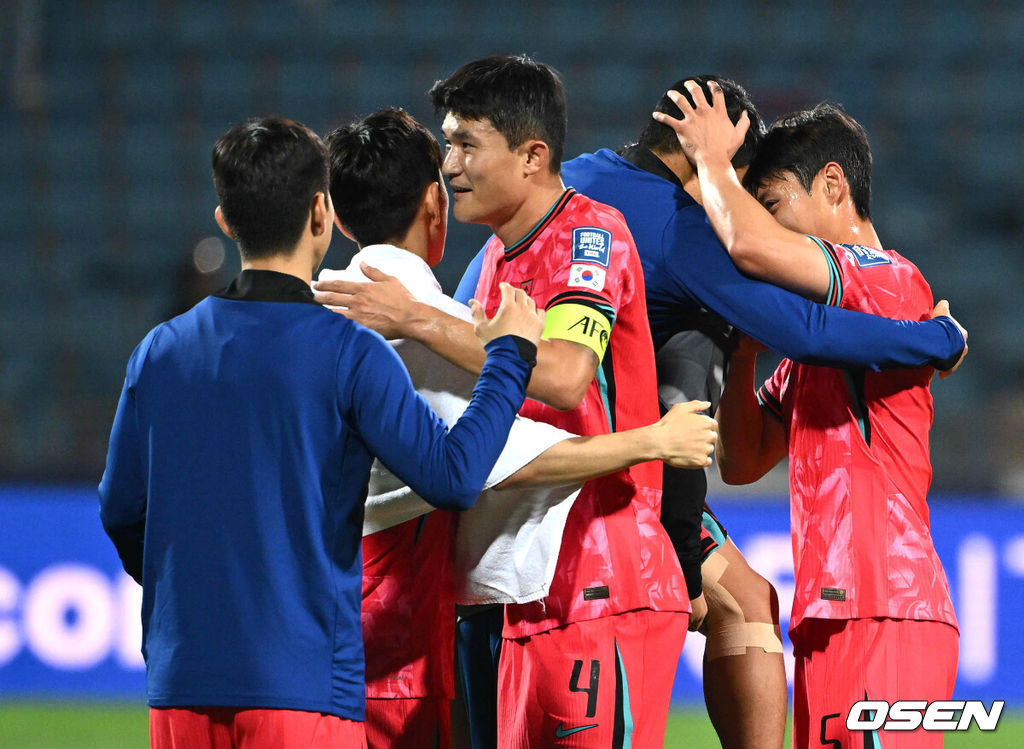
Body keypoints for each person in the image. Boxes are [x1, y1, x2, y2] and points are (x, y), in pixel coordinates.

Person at [453, 74, 969, 749]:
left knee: (741, 600)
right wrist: (936, 340)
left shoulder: (570, 188)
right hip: (592, 487)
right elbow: (802, 330)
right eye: (747, 198)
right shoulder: (678, 224)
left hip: (491, 460)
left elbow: (744, 449)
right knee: (730, 607)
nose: (745, 220)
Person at [97, 116, 547, 749]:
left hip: (182, 680)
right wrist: (510, 358)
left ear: (226, 222)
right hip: (302, 681)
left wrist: (194, 592)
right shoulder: (349, 352)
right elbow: (454, 477)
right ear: (321, 211)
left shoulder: (160, 351)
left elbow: (121, 510)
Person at [315, 56, 690, 748]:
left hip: (597, 577)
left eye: (465, 144)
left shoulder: (589, 233)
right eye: (447, 144)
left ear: (531, 155)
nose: (450, 166)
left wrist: (415, 319)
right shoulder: (488, 263)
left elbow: (567, 374)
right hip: (502, 591)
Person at [655, 83, 962, 748]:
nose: (764, 223)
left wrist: (710, 161)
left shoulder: (888, 280)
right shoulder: (816, 348)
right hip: (828, 616)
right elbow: (741, 460)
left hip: (890, 604)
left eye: (772, 204)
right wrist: (741, 354)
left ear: (831, 186)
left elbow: (750, 248)